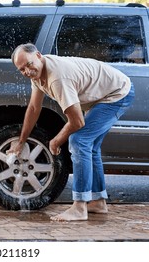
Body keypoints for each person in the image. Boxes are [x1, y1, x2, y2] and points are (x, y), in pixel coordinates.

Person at [8, 43, 135, 221]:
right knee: (89, 147)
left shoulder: (57, 78)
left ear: (38, 55)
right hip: (103, 94)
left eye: (28, 64)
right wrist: (21, 141)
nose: (27, 71)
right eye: (21, 69)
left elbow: (77, 122)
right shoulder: (37, 74)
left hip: (116, 94)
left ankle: (79, 207)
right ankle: (98, 202)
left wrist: (55, 141)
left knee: (79, 140)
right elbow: (34, 107)